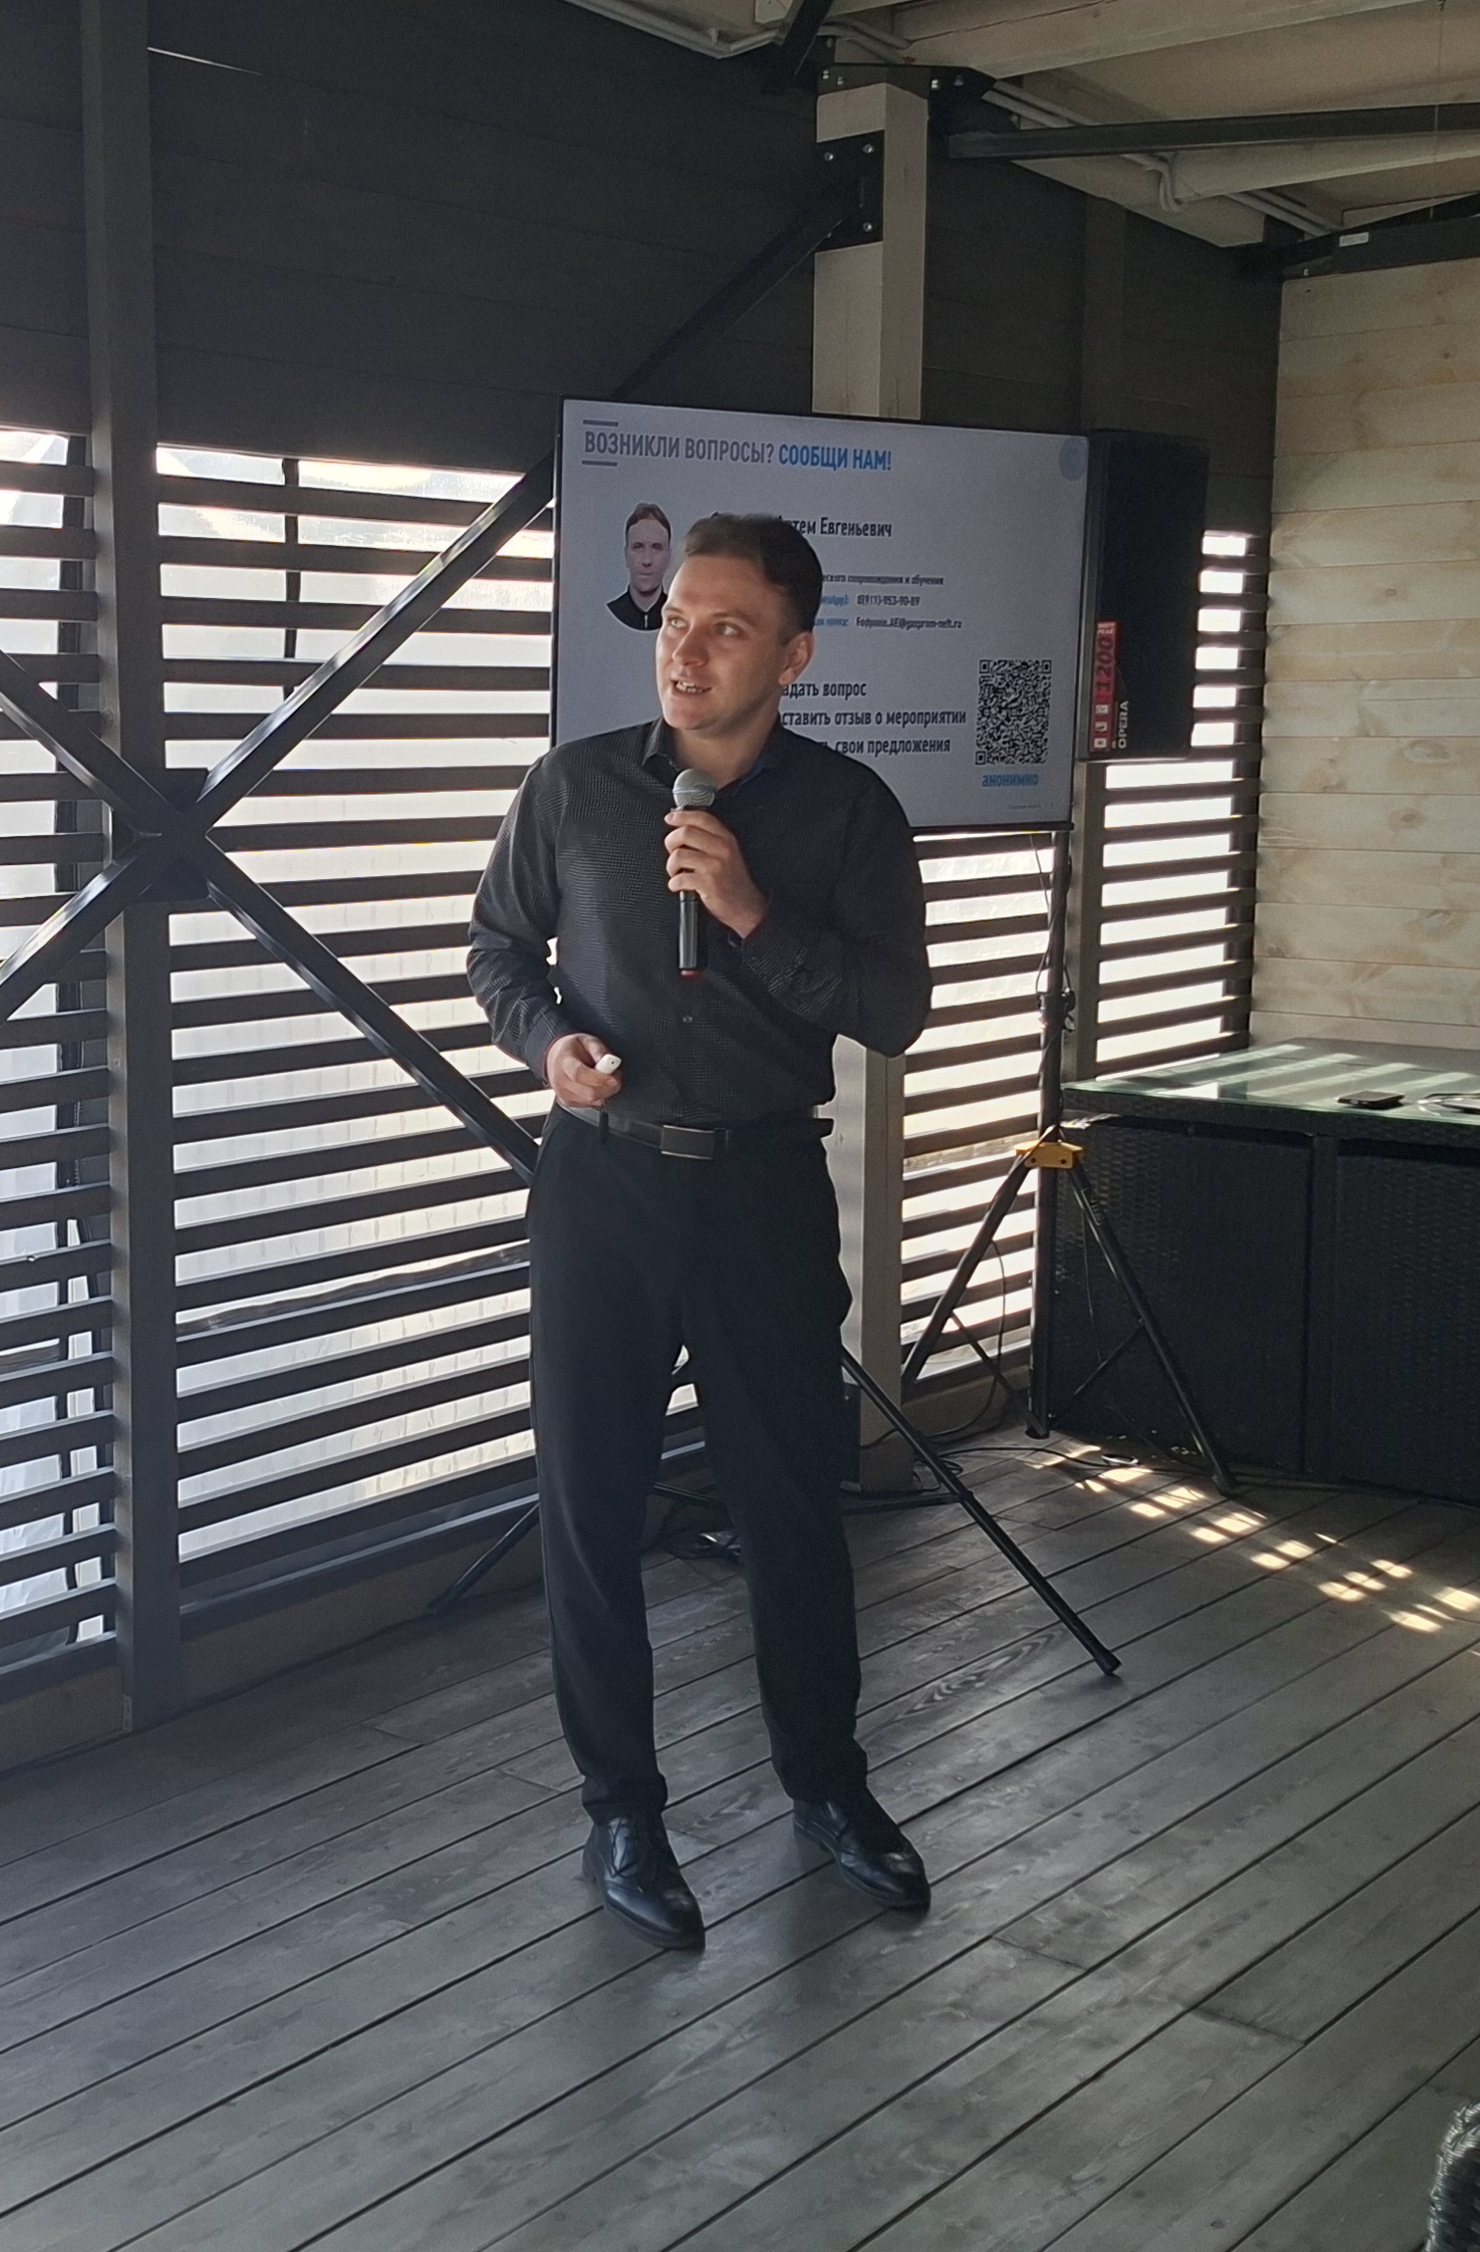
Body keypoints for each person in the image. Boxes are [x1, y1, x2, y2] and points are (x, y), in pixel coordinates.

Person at [469, 510, 931, 1950]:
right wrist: (545, 1044)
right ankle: (622, 1805)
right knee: (590, 1503)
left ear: (792, 656)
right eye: (676, 620)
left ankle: (827, 1783)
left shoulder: (848, 812)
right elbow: (497, 948)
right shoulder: (572, 786)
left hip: (761, 1190)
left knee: (789, 1503)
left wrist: (748, 910)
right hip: (601, 1188)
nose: (688, 648)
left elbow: (895, 1011)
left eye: (727, 628)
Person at [606, 502, 672, 631]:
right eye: (638, 547)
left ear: (668, 556)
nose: (647, 560)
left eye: (656, 547)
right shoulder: (613, 610)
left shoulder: (679, 613)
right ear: (626, 555)